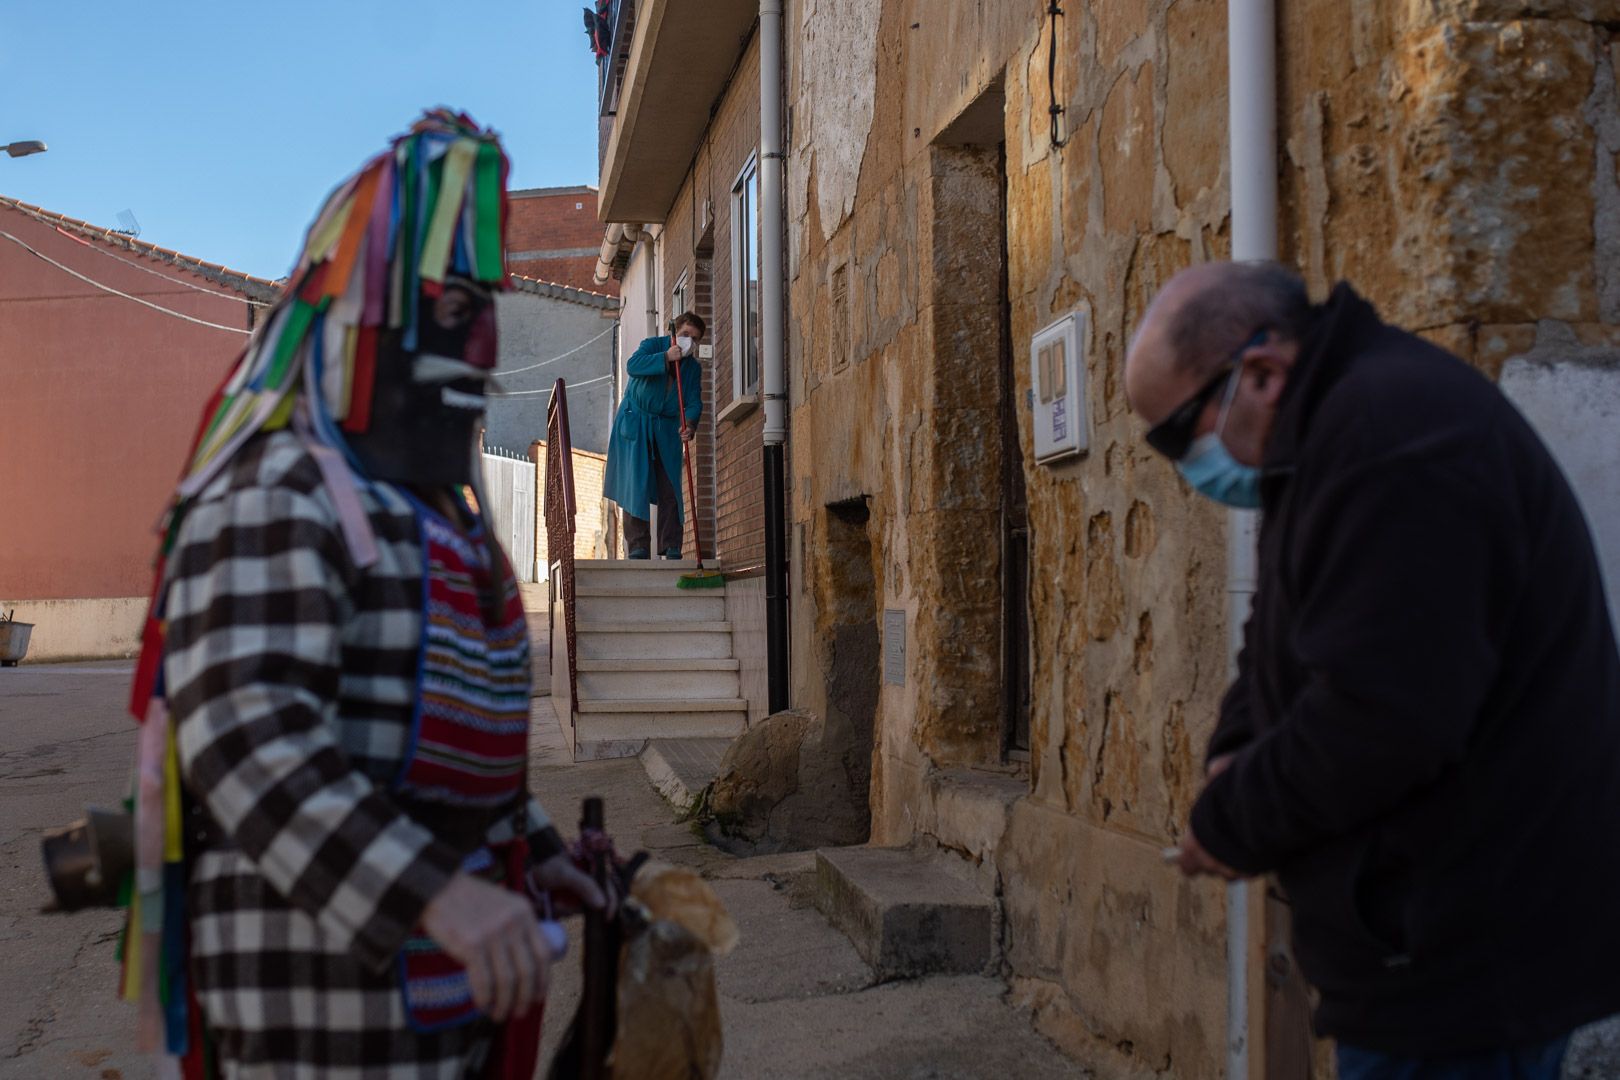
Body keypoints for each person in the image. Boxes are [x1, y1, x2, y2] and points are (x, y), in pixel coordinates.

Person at [123, 110, 604, 1078]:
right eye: (452, 307)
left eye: (486, 304)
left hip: (448, 995)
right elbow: (242, 733)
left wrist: (532, 847)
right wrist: (435, 891)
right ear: (370, 316)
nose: (480, 344)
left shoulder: (437, 516)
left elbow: (459, 745)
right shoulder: (277, 489)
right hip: (315, 998)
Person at [1124, 261, 1620, 1079]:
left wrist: (1228, 823)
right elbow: (1276, 628)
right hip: (1422, 944)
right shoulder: (1328, 431)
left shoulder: (1392, 440)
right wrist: (1236, 742)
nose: (1186, 467)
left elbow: (1384, 716)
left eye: (1178, 436)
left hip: (1462, 962)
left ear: (1260, 372)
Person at [604, 313, 705, 559]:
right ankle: (638, 545)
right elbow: (633, 366)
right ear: (673, 333)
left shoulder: (692, 368)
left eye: (694, 339)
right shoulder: (652, 346)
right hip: (636, 422)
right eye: (684, 335)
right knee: (635, 483)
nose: (688, 342)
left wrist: (689, 425)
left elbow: (693, 400)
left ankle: (671, 545)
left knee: (670, 485)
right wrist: (664, 358)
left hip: (667, 428)